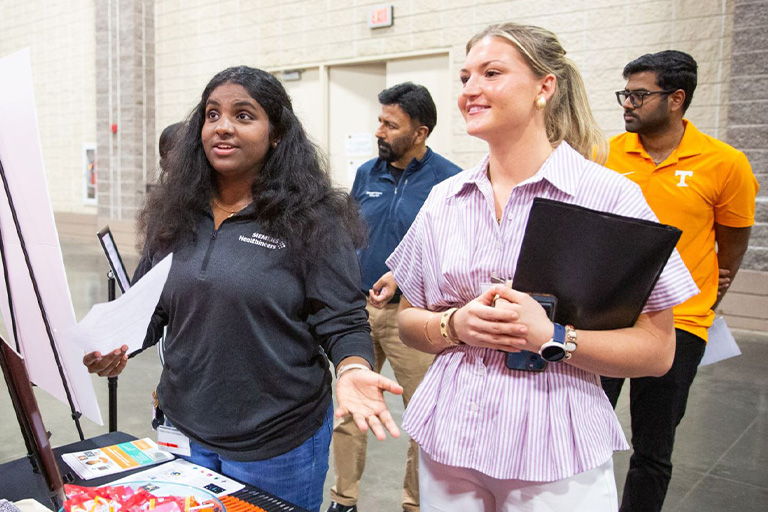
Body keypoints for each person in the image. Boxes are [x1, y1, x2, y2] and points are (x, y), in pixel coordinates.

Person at [386, 23, 700, 512]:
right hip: (450, 437)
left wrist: (552, 337)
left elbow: (658, 351)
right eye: (465, 77)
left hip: (555, 446)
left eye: (491, 73)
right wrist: (455, 324)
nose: (470, 90)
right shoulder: (446, 198)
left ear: (544, 87)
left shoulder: (607, 197)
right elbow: (409, 321)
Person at [83, 66, 403, 512]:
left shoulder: (314, 216)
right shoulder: (176, 212)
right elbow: (150, 309)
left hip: (276, 442)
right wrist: (118, 345)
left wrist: (351, 369)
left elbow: (342, 319)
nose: (223, 126)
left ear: (276, 134)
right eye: (212, 115)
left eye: (243, 115)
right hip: (183, 429)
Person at [601, 51, 759, 512]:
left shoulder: (724, 163)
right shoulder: (605, 152)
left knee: (653, 448)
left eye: (638, 94)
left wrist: (705, 296)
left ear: (676, 99)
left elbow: (732, 243)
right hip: (604, 316)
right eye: (624, 94)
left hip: (680, 322)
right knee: (581, 429)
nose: (627, 103)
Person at [328, 83, 461, 512]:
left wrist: (403, 279)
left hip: (415, 315)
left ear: (420, 132)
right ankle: (343, 499)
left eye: (390, 124)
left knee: (424, 419)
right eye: (380, 121)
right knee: (350, 412)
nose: (379, 131)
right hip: (359, 313)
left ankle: (415, 504)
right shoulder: (368, 173)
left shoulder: (450, 181)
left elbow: (452, 254)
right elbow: (350, 234)